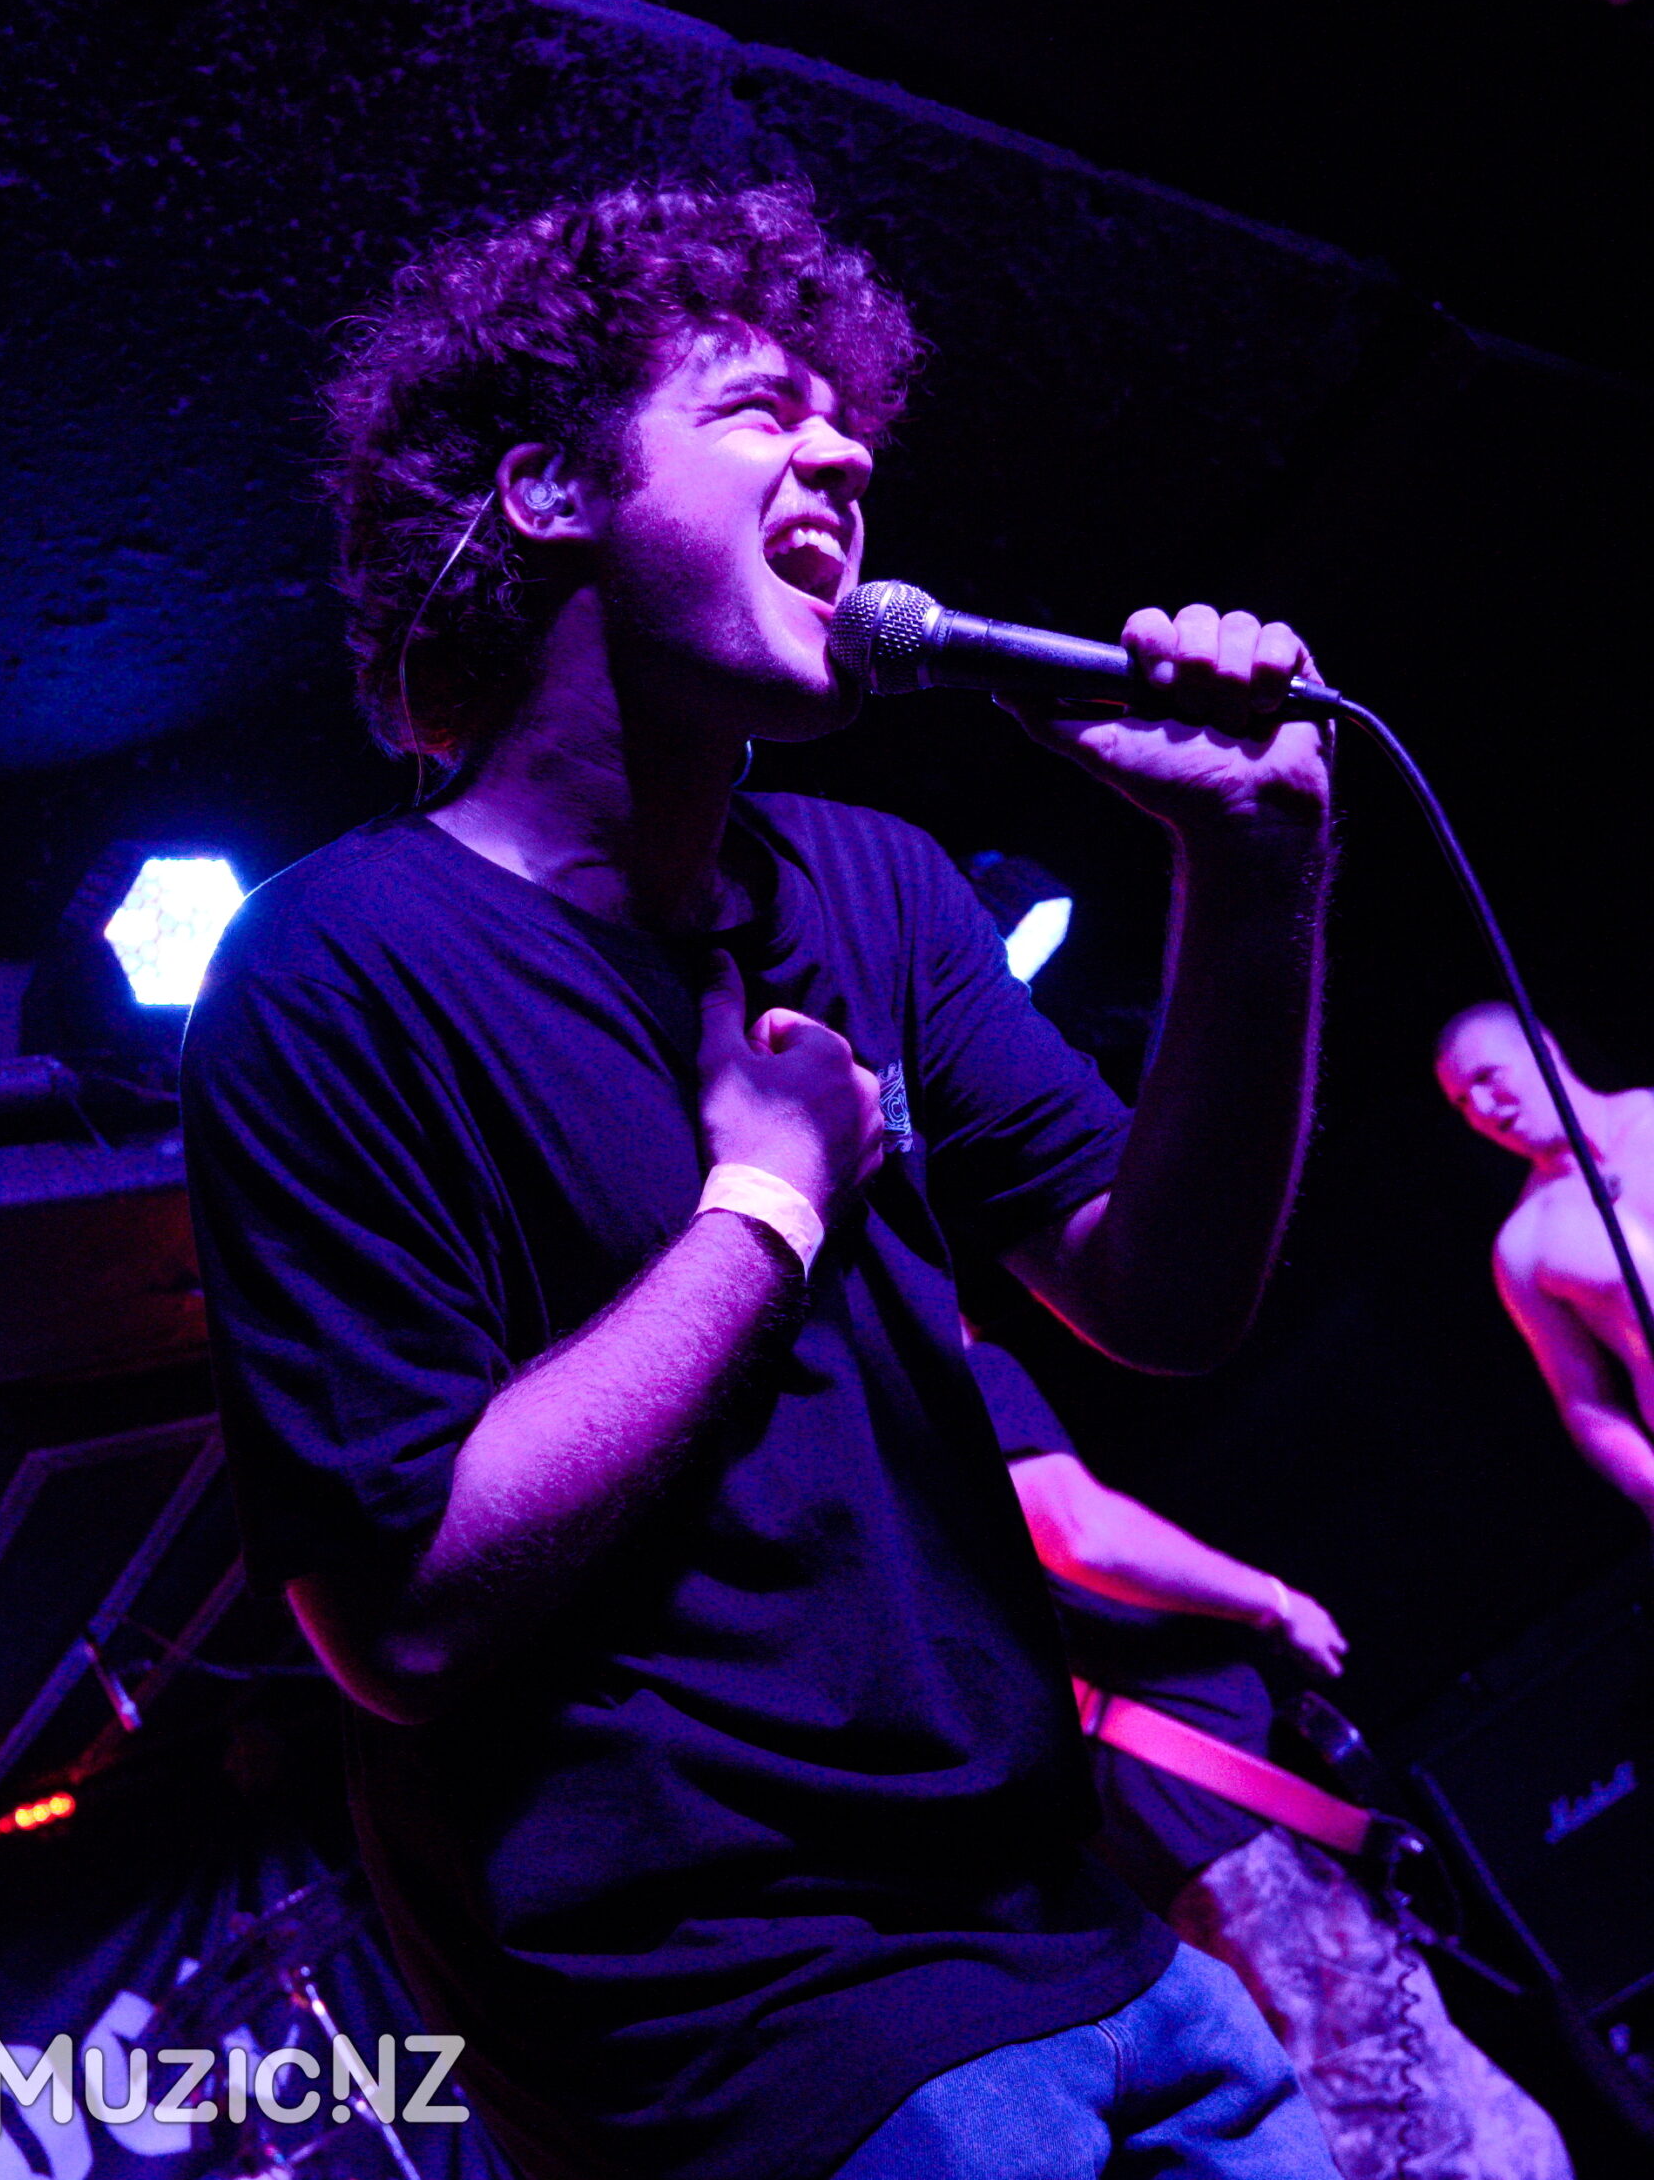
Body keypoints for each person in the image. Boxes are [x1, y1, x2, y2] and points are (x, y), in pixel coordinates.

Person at [181, 181, 1340, 2180]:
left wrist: (1254, 882)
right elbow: (403, 1614)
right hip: (749, 2043)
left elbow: (1161, 1297)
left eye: (845, 416)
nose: (846, 453)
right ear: (551, 490)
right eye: (755, 408)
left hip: (1087, 1936)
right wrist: (769, 1209)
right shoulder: (327, 966)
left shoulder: (875, 884)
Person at [969, 1337, 1574, 2179]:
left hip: (1154, 1822)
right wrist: (1273, 1602)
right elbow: (1076, 1529)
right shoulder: (963, 1373)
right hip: (1198, 1801)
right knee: (1416, 2125)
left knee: (1408, 2106)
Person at [1435, 1002, 1654, 1533]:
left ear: (1543, 1049)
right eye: (1462, 1102)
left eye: (1486, 1078)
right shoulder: (1525, 1244)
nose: (1482, 1108)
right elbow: (1586, 1403)